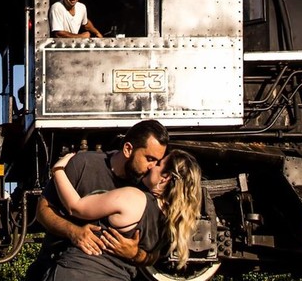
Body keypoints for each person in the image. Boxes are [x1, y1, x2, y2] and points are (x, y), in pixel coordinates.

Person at [26, 120, 168, 281]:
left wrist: (135, 254)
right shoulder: (84, 164)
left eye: (157, 161)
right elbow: (43, 210)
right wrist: (73, 232)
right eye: (149, 158)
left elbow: (154, 255)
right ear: (128, 149)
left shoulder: (146, 189)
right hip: (58, 268)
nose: (153, 166)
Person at [48, 149, 204, 281]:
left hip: (80, 272)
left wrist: (58, 170)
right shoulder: (173, 222)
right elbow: (152, 257)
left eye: (158, 164)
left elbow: (75, 207)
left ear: (166, 177)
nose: (151, 167)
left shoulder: (133, 198)